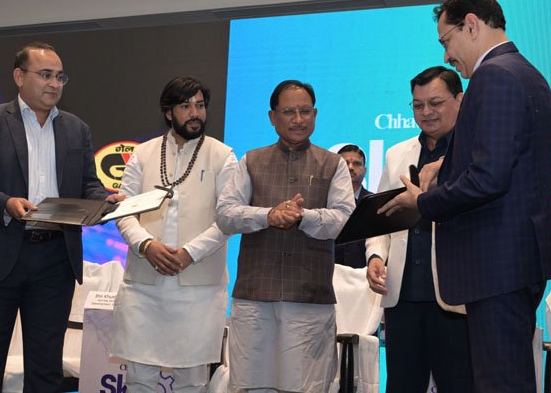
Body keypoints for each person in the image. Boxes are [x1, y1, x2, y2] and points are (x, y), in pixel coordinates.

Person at [377, 0, 551, 391]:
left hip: (497, 259)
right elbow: (505, 161)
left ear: (471, 25)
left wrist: (423, 202)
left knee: (499, 381)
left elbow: (488, 178)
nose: (447, 55)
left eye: (446, 41)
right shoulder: (523, 71)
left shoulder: (495, 75)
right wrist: (447, 168)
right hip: (512, 258)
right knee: (507, 378)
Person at [0, 42, 117, 392]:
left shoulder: (77, 128)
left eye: (60, 77)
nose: (54, 84)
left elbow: (89, 184)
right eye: (45, 75)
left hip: (55, 259)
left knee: (46, 370)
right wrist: (5, 203)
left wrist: (106, 200)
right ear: (19, 76)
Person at [215, 80, 355, 392]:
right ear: (272, 117)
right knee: (251, 384)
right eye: (289, 112)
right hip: (254, 297)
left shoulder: (333, 164)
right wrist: (268, 215)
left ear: (315, 114)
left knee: (306, 386)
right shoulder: (251, 161)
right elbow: (224, 214)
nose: (298, 119)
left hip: (309, 298)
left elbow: (344, 220)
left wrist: (303, 217)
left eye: (305, 111)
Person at [109, 76, 237, 392]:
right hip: (144, 281)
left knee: (191, 382)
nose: (195, 113)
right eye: (185, 106)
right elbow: (124, 210)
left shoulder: (223, 156)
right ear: (169, 112)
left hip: (198, 285)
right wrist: (146, 245)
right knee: (139, 379)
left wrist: (190, 252)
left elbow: (228, 218)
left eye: (200, 106)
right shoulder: (143, 154)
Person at [366, 66, 473, 392]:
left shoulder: (475, 153)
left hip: (456, 297)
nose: (426, 112)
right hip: (403, 296)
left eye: (435, 103)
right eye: (417, 105)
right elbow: (381, 218)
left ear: (460, 100)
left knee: (459, 384)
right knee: (402, 384)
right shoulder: (397, 153)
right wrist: (375, 256)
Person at [334, 144, 371, 268]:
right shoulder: (323, 201)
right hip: (329, 272)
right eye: (345, 164)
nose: (350, 167)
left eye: (356, 164)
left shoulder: (373, 203)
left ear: (364, 171)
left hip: (364, 274)